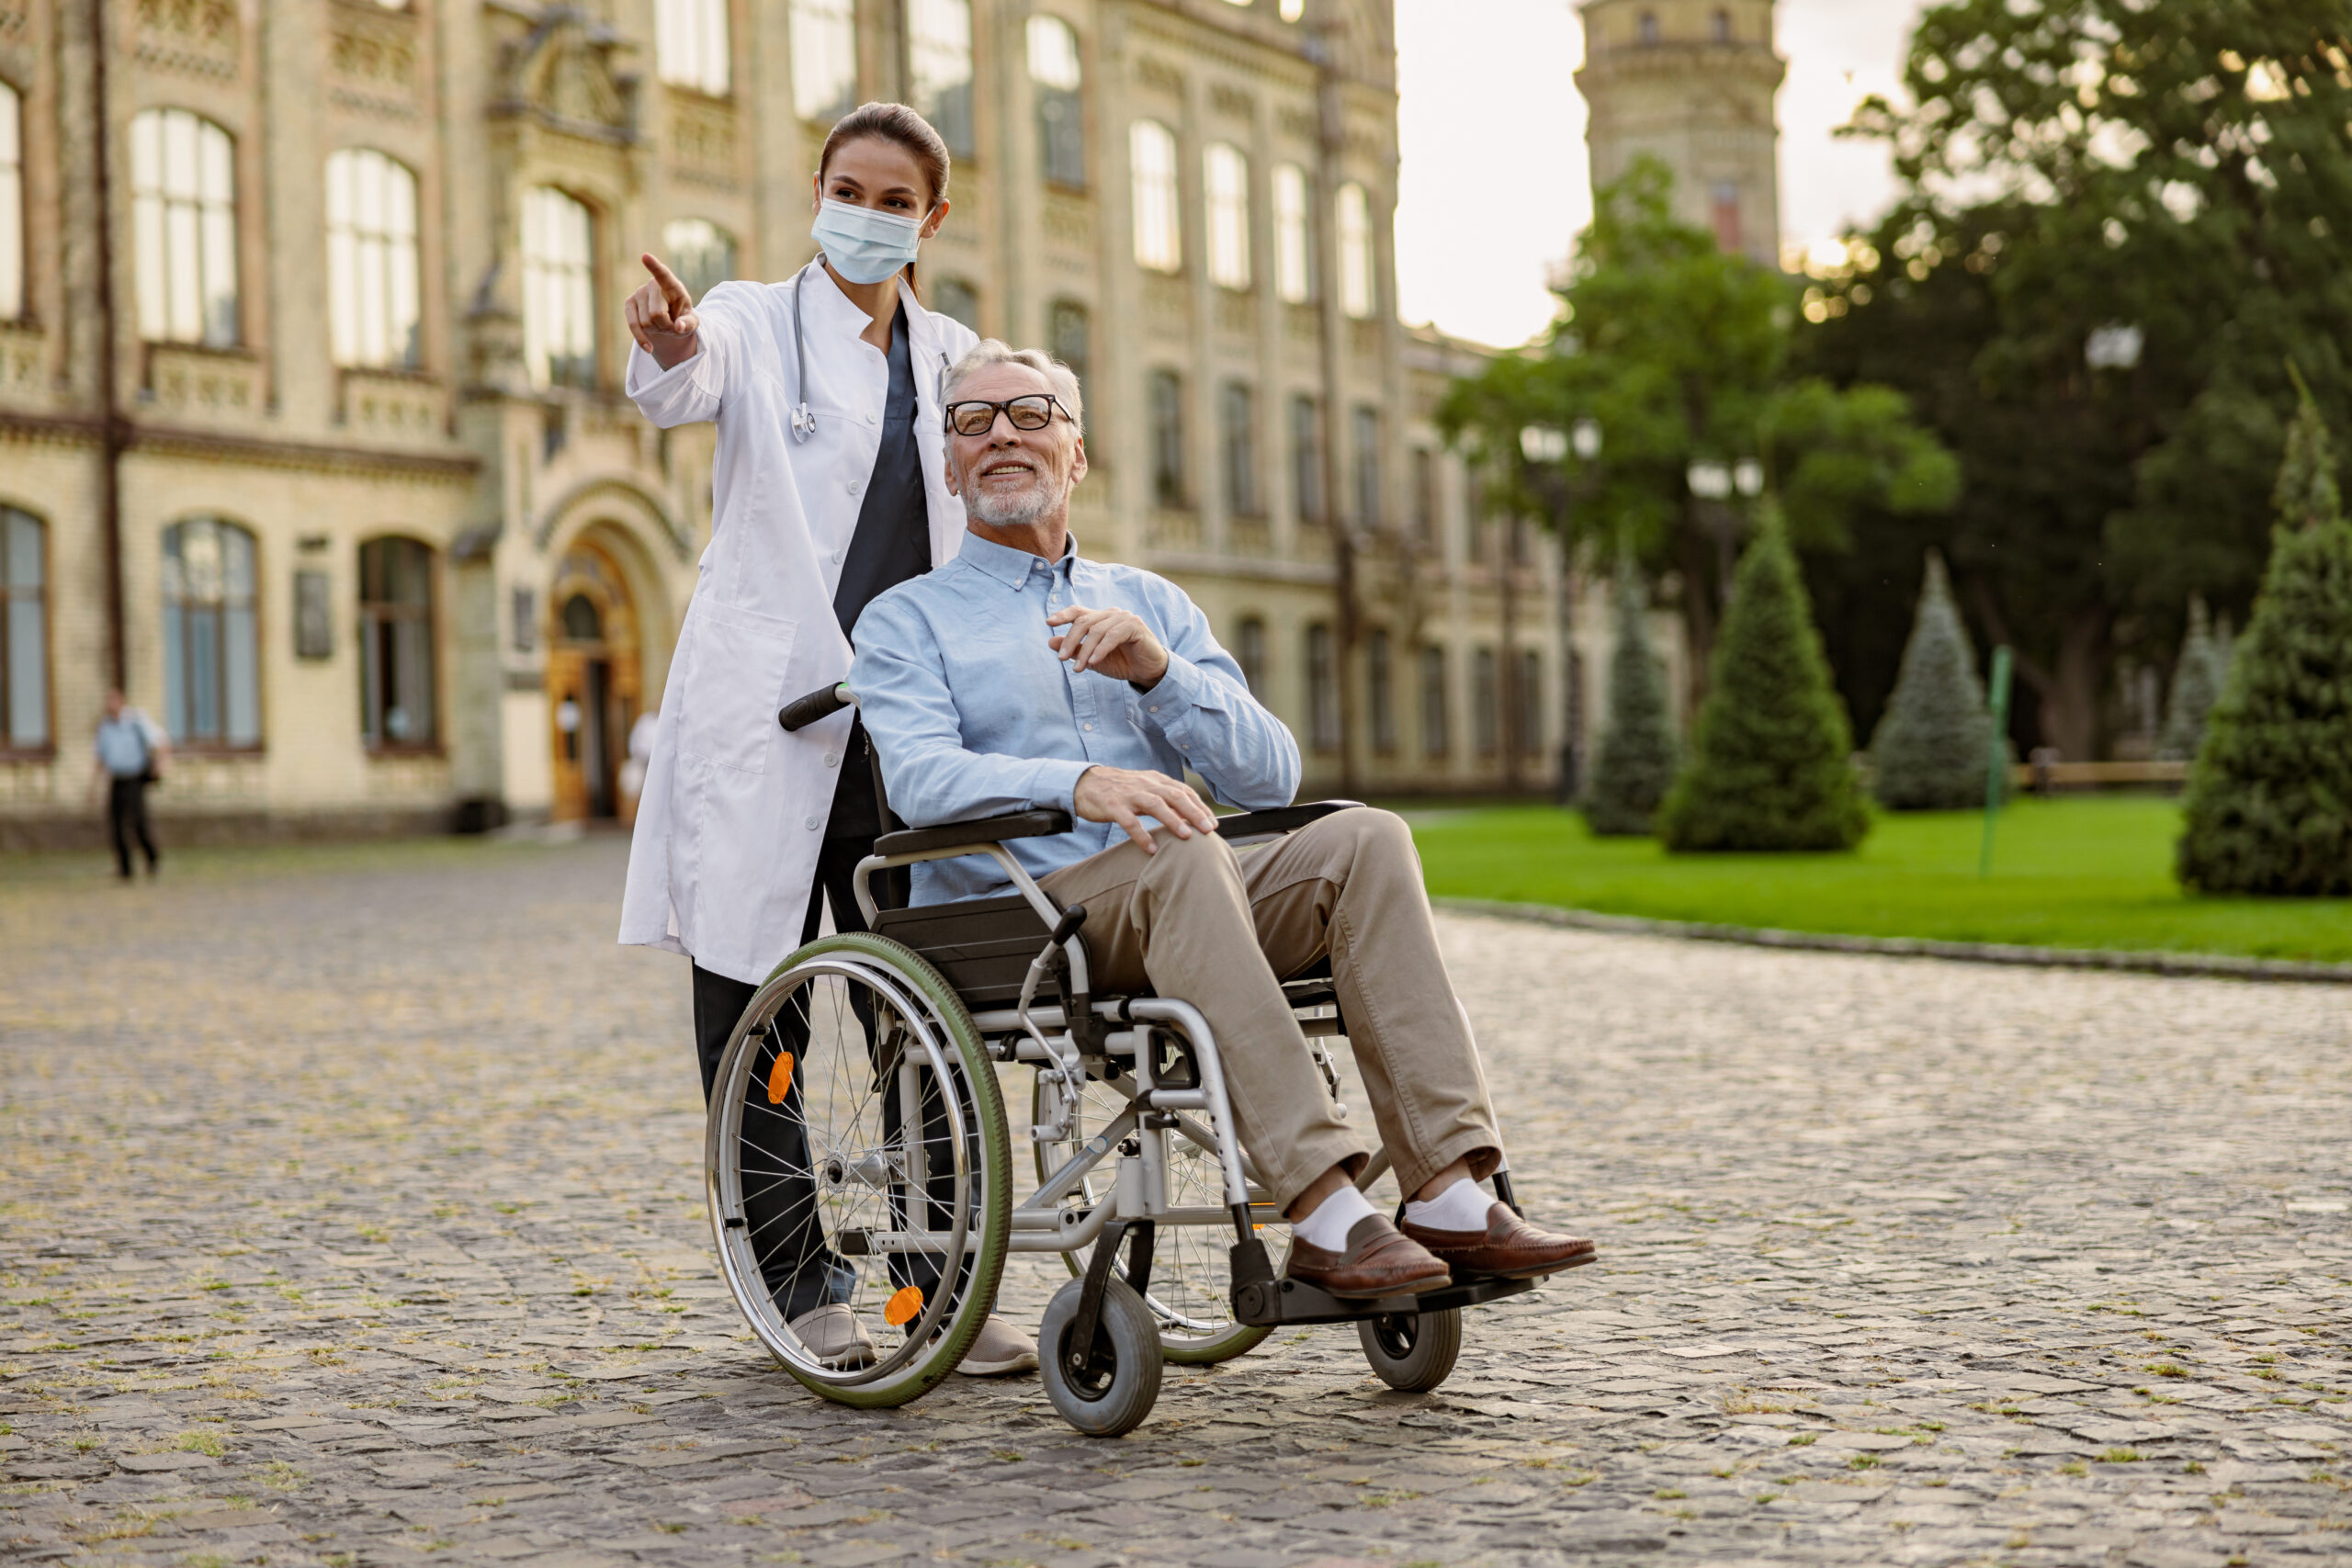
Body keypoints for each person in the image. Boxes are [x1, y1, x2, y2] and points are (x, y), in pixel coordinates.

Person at [852, 343, 1597, 1299]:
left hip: (1180, 896)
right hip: (1021, 921)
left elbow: (1271, 772)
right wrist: (1079, 781)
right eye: (973, 421)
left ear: (1076, 454)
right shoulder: (905, 620)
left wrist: (1161, 676)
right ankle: (1326, 1210)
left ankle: (1447, 1194)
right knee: (1182, 856)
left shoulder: (1150, 602)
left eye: (1032, 414)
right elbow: (917, 777)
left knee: (1366, 838)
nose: (1001, 434)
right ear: (950, 467)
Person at [616, 103, 1035, 1376]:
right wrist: (669, 339)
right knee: (760, 1005)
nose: (867, 213)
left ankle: (937, 1292)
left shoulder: (960, 356)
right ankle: (801, 1277)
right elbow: (689, 377)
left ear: (933, 220)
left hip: (903, 730)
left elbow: (1013, 478)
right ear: (818, 191)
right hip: (770, 717)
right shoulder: (752, 315)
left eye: (895, 198)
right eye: (848, 188)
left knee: (926, 1013)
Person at [87, 688, 166, 881]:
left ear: (121, 701)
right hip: (117, 778)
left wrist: (160, 766)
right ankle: (125, 868)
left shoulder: (136, 721)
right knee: (115, 823)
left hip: (135, 778)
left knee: (139, 821)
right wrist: (93, 786)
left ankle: (152, 859)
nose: (110, 705)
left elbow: (161, 742)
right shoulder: (105, 727)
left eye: (113, 700)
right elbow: (100, 757)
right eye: (108, 701)